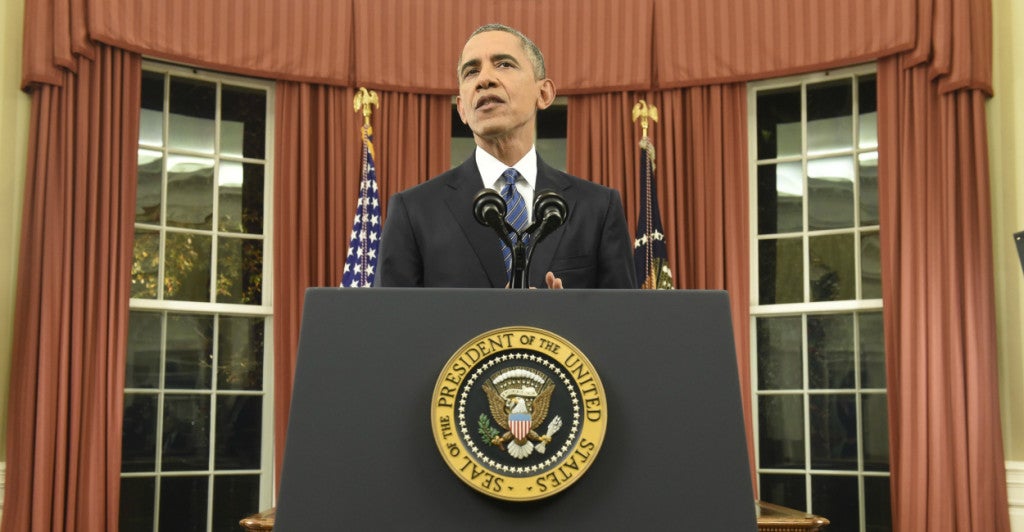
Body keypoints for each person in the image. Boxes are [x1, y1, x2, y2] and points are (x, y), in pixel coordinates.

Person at [375, 23, 636, 288]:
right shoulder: (413, 211)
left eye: (504, 65)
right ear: (462, 109)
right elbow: (391, 314)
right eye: (471, 71)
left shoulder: (598, 208)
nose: (484, 80)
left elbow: (621, 314)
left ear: (543, 93)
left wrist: (563, 311)